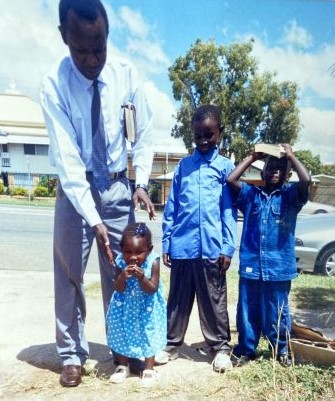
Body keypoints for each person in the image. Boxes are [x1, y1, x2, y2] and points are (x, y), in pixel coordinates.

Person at [40, 0, 155, 387]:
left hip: (119, 185)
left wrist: (139, 184)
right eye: (81, 50)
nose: (92, 59)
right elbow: (67, 159)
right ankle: (72, 353)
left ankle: (126, 348)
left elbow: (145, 131)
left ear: (108, 36)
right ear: (64, 37)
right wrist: (92, 217)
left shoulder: (126, 73)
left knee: (124, 271)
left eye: (100, 47)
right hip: (76, 189)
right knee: (70, 271)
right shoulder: (54, 84)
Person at [159, 105, 237, 372]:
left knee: (214, 300)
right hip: (182, 245)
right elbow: (172, 207)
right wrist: (167, 241)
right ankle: (171, 344)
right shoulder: (183, 166)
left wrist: (227, 247)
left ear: (220, 134)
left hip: (212, 248)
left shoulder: (226, 167)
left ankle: (221, 348)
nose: (204, 141)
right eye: (198, 135)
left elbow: (229, 211)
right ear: (191, 134)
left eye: (209, 135)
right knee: (178, 299)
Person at [226, 145, 310, 367]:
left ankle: (280, 348)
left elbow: (306, 180)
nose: (274, 171)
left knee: (277, 310)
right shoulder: (251, 195)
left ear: (287, 174)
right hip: (252, 264)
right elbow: (231, 179)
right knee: (247, 308)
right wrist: (253, 157)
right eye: (270, 167)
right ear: (262, 171)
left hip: (279, 266)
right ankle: (246, 348)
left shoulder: (291, 196)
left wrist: (291, 155)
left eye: (280, 168)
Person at [106, 222, 167, 387]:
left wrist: (142, 278)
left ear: (149, 249)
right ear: (121, 249)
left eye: (139, 252)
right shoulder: (120, 261)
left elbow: (152, 289)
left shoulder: (153, 261)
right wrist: (122, 277)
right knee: (122, 331)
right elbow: (117, 287)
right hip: (124, 306)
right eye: (128, 252)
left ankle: (148, 368)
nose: (133, 257)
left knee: (148, 333)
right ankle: (123, 365)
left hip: (147, 308)